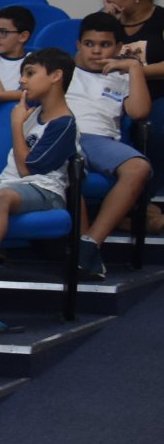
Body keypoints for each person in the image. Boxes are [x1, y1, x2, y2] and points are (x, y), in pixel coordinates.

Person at [0, 49, 79, 280]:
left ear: (56, 76)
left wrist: (16, 125)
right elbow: (17, 94)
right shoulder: (35, 105)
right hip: (9, 189)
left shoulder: (64, 124)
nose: (22, 80)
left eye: (30, 73)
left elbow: (27, 170)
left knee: (1, 197)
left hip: (45, 191)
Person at [67, 14, 154, 278]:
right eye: (89, 44)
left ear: (118, 48)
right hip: (65, 135)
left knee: (139, 168)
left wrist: (134, 68)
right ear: (78, 45)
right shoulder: (61, 69)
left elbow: (139, 112)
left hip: (101, 140)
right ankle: (84, 255)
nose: (96, 51)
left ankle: (90, 242)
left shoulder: (122, 77)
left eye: (104, 45)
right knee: (70, 169)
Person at [103, 0, 164, 98]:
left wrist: (134, 70)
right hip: (109, 97)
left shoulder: (161, 19)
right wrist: (105, 22)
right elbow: (81, 60)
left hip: (155, 97)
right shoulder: (106, 19)